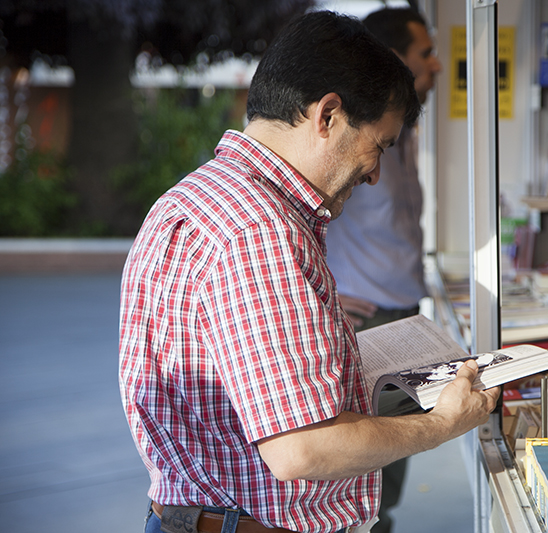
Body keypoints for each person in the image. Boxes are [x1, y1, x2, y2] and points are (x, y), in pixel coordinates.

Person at [119, 10, 499, 533]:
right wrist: (442, 422)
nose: (375, 174)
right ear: (328, 115)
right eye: (379, 145)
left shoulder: (195, 197)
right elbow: (302, 448)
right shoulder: (260, 231)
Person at [324, 9, 442, 533]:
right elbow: (307, 212)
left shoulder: (404, 136)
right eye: (425, 54)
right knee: (362, 483)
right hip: (366, 319)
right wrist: (326, 292)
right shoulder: (351, 145)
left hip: (399, 314)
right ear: (392, 62)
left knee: (384, 484)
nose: (437, 64)